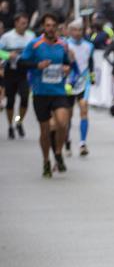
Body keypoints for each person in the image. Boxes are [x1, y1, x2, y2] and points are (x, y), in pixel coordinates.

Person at [19, 14, 71, 177]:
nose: (51, 28)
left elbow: (67, 63)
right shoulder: (34, 44)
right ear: (43, 27)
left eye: (53, 25)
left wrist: (66, 68)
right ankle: (46, 161)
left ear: (57, 27)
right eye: (47, 25)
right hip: (40, 93)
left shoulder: (63, 45)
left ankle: (57, 152)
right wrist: (37, 65)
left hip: (58, 91)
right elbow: (21, 63)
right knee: (45, 130)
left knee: (63, 123)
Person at [1, 12, 36, 139]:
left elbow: (35, 51)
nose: (24, 26)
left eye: (26, 23)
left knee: (25, 100)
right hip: (11, 72)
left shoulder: (31, 36)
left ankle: (18, 121)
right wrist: (7, 55)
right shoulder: (7, 37)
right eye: (22, 23)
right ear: (16, 23)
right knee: (10, 102)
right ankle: (10, 125)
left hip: (24, 72)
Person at [64, 19, 94, 156]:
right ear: (69, 31)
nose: (77, 33)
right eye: (74, 30)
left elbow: (91, 62)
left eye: (80, 30)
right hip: (69, 82)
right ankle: (67, 139)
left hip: (83, 81)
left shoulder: (89, 46)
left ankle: (82, 143)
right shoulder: (65, 45)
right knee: (68, 115)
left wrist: (92, 76)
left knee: (83, 108)